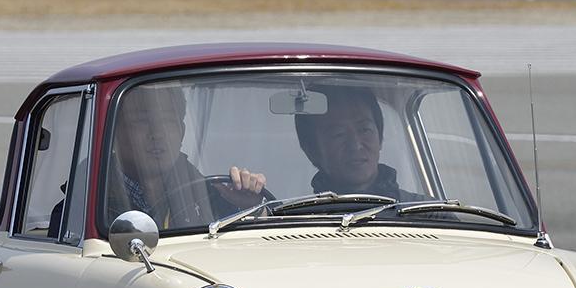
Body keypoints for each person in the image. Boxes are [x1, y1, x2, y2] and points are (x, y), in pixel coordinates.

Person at [106, 84, 266, 229]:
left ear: (181, 132)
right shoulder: (88, 198)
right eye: (142, 121)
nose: (157, 133)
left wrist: (251, 208)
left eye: (167, 120)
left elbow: (244, 248)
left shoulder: (207, 194)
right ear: (115, 134)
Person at [294, 86, 412, 201]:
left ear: (380, 138)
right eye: (338, 134)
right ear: (312, 151)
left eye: (365, 130)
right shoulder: (296, 219)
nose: (356, 146)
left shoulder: (423, 214)